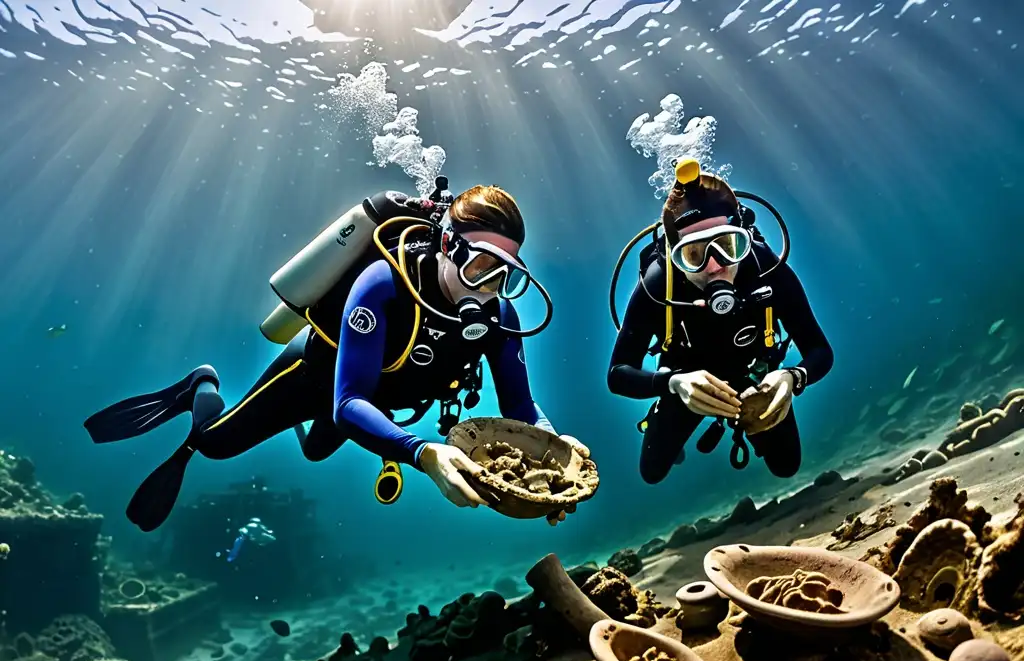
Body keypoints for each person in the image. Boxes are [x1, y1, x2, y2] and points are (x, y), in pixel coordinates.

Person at [85, 178, 588, 531]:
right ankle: (202, 386)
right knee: (214, 444)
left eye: (507, 273)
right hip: (316, 375)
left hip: (376, 404)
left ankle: (293, 425)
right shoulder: (383, 284)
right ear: (447, 246)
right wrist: (421, 452)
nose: (490, 288)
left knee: (316, 449)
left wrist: (551, 442)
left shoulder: (501, 317)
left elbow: (522, 408)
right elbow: (347, 404)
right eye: (481, 266)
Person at [607, 157, 833, 484]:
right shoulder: (657, 287)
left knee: (787, 465)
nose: (714, 267)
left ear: (742, 236)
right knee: (652, 472)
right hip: (685, 386)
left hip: (757, 376)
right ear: (673, 254)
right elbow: (617, 374)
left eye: (727, 246)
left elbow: (820, 350)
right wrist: (671, 384)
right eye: (694, 254)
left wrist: (791, 378)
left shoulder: (765, 267)